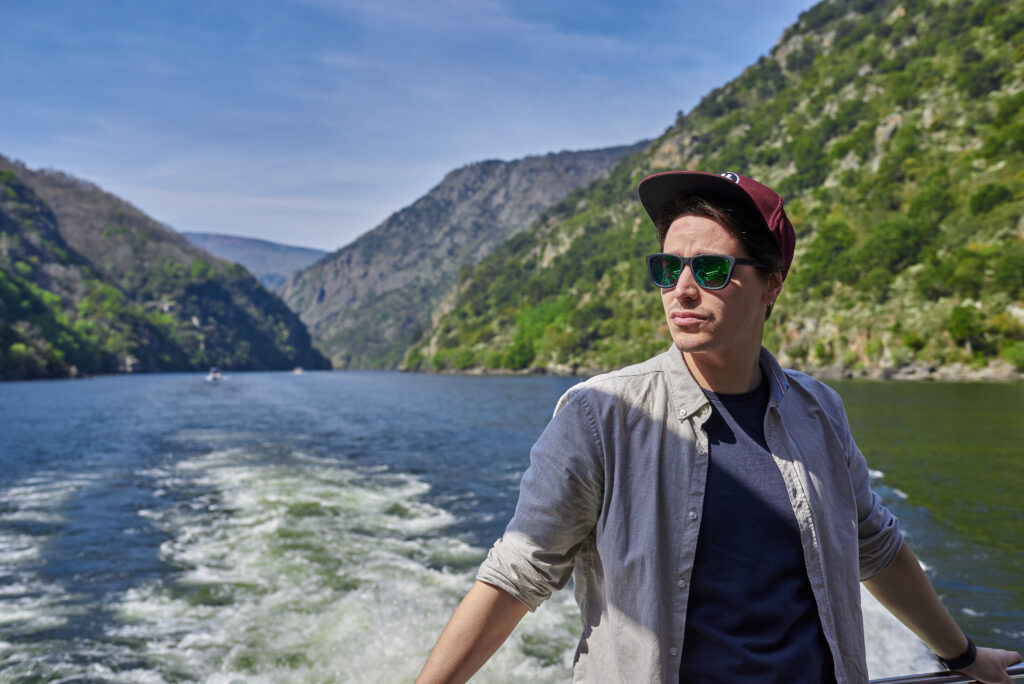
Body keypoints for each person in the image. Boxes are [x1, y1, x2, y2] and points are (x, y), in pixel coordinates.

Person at [415, 171, 1022, 683]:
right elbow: (516, 575)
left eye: (710, 269)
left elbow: (877, 548)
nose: (681, 290)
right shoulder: (599, 416)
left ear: (772, 285)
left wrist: (962, 655)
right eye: (667, 268)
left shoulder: (819, 412)